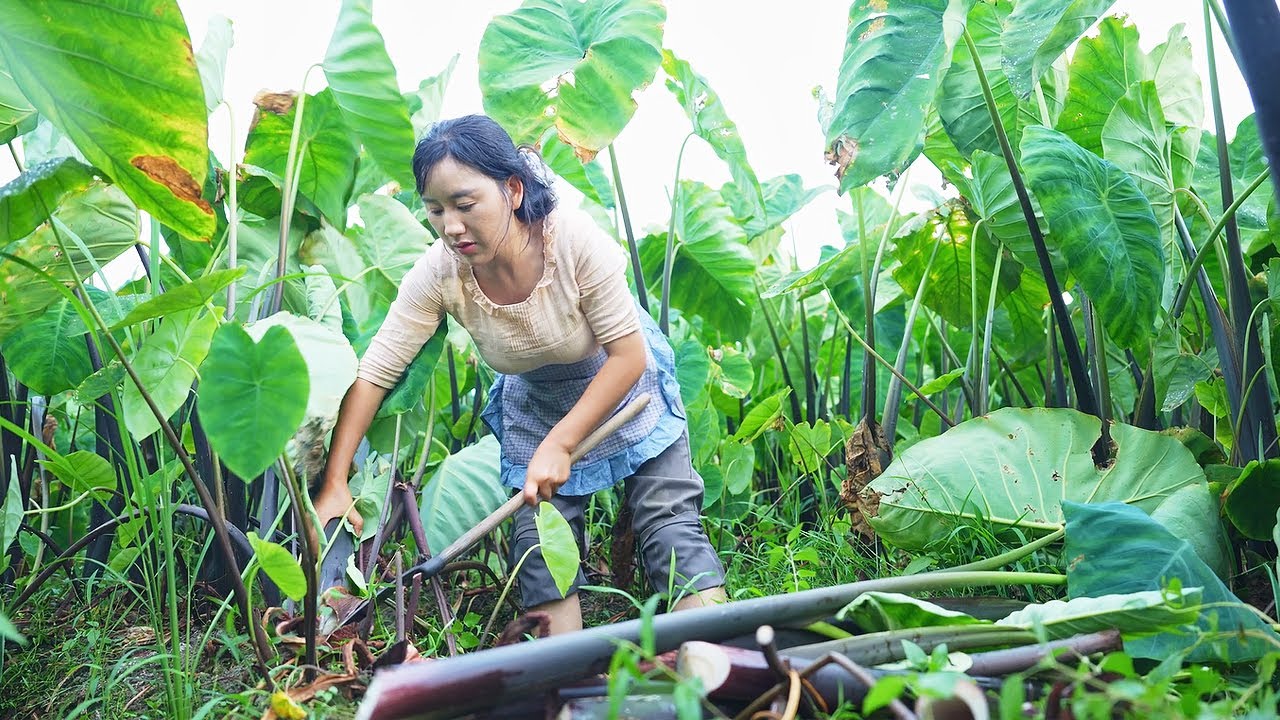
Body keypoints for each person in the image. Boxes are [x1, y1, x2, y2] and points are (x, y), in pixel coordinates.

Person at [313, 114, 727, 634]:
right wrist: (334, 480)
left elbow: (629, 356)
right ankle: (566, 691)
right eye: (435, 210)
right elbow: (377, 370)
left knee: (668, 527)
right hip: (534, 401)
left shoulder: (572, 241)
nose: (451, 226)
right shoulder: (440, 271)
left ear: (512, 190)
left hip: (621, 384)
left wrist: (562, 443)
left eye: (465, 205)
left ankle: (715, 672)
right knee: (539, 544)